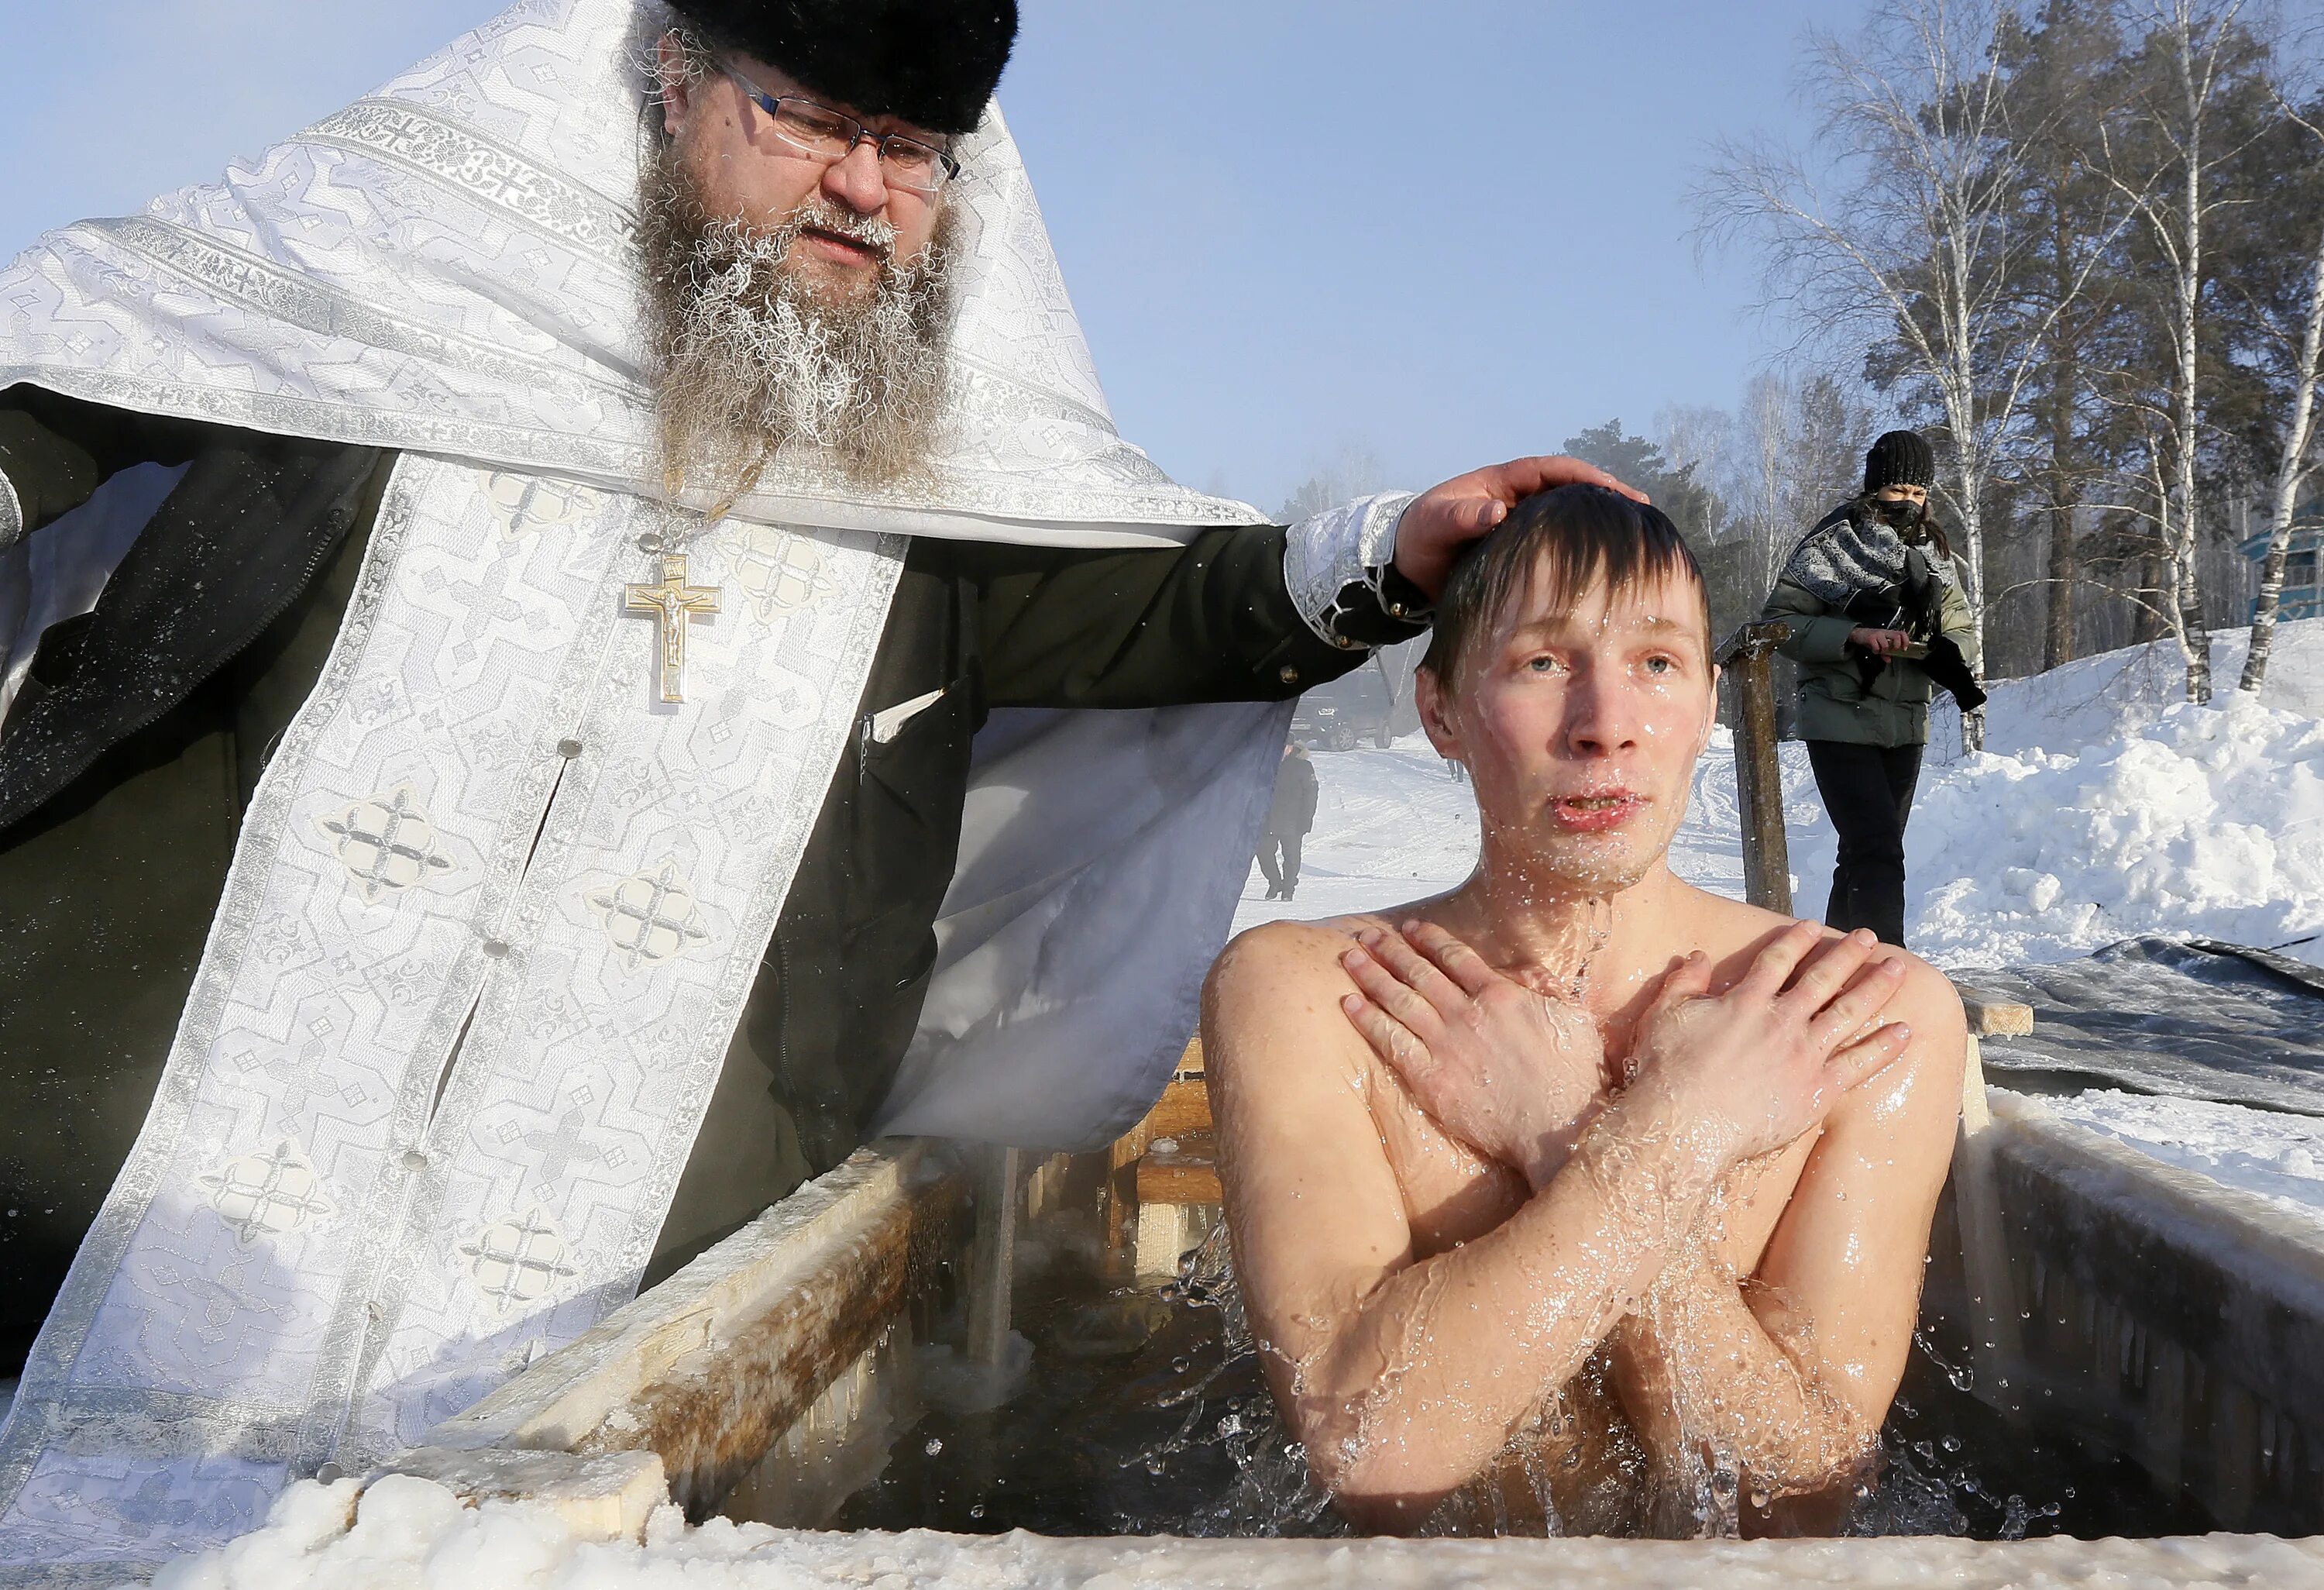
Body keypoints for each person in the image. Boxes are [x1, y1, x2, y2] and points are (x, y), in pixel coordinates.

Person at [0, 0, 1638, 1563]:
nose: (865, 185)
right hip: (125, 1166)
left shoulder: (925, 468)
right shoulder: (392, 301)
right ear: (669, 85)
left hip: (622, 1252)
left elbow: (1151, 601)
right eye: (811, 121)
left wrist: (1387, 551)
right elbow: (86, 379)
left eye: (916, 149)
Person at [1203, 485, 1966, 1537]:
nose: (1606, 727)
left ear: (1705, 702)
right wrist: (1662, 1143)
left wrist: (1600, 1134)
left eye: (1656, 663)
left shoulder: (1861, 1017)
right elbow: (1375, 1452)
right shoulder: (1311, 995)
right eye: (1543, 662)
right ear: (1441, 712)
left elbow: (1796, 1500)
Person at [1762, 430, 1985, 948]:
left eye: (1919, 493)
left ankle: (1834, 965)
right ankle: (1888, 968)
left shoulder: (1934, 552)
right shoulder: (1832, 543)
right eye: (1899, 490)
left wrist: (1945, 651)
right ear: (1874, 487)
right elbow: (1780, 622)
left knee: (1863, 852)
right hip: (1839, 717)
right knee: (1877, 849)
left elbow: (1962, 628)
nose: (1910, 502)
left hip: (1906, 722)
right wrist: (1854, 635)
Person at [1257, 742, 1319, 900]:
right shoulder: (1264, 764)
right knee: (1263, 853)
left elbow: (1311, 795)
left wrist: (1307, 819)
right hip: (1267, 820)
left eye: (1283, 746)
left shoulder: (1303, 767)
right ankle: (1275, 882)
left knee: (1291, 857)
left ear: (1291, 748)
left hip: (1293, 820)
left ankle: (1288, 888)